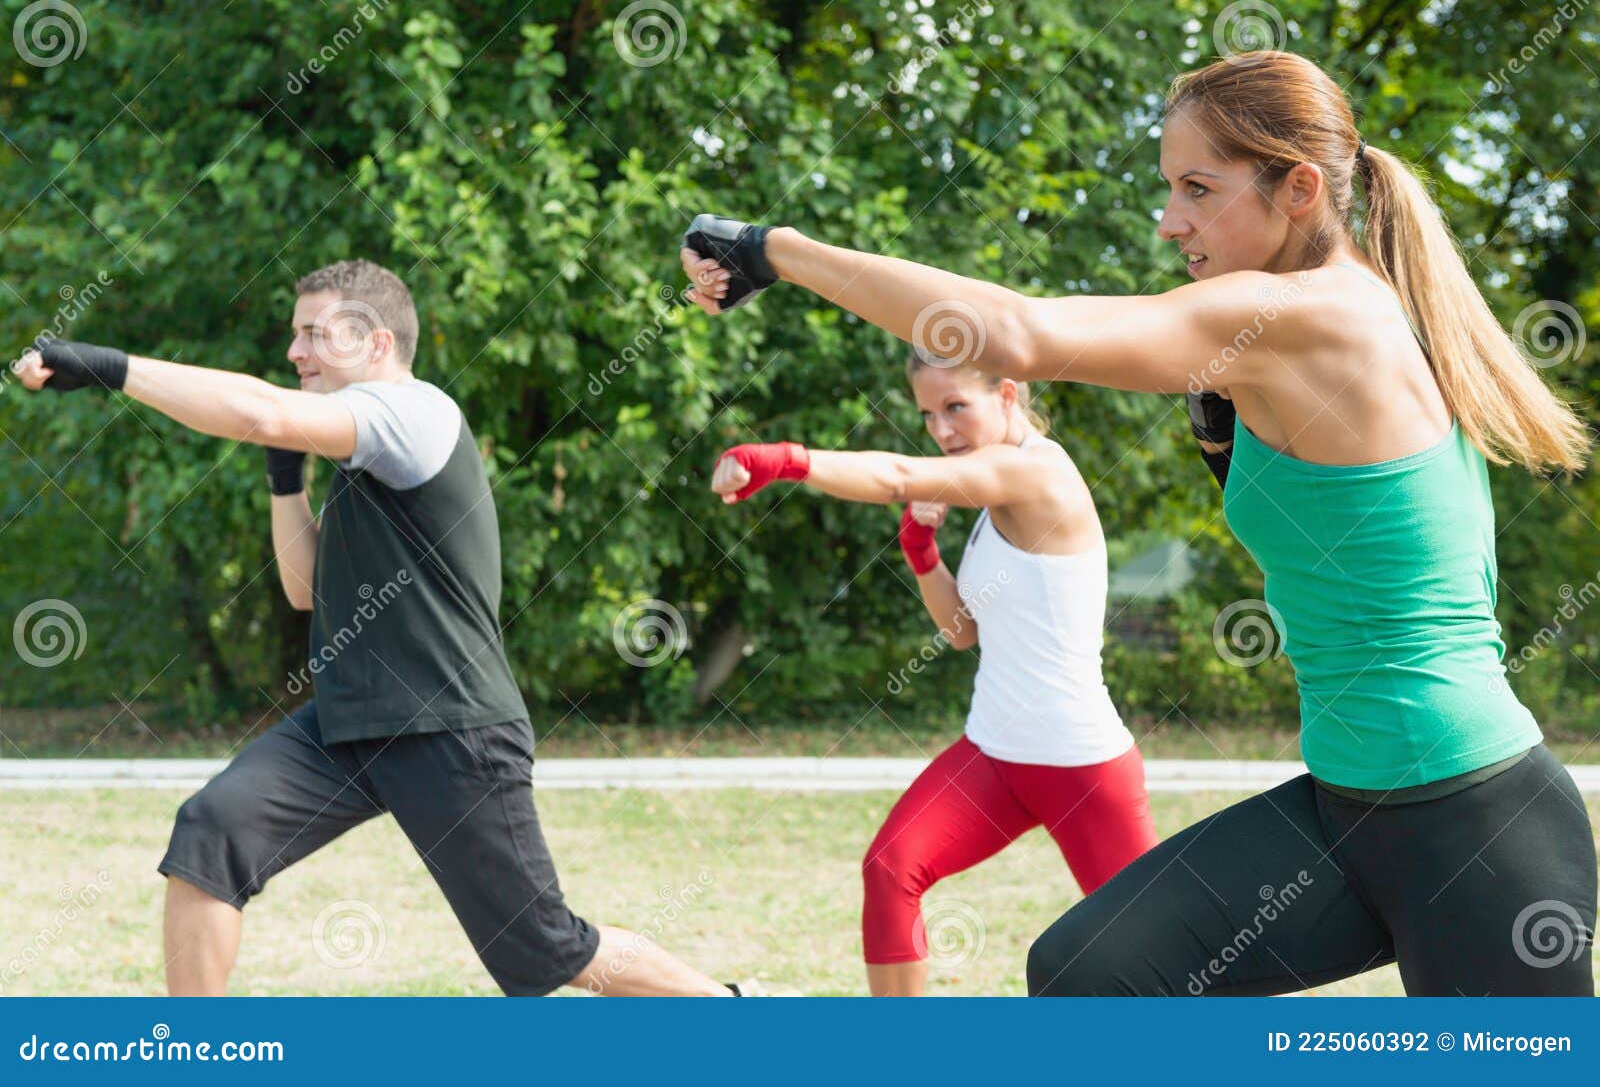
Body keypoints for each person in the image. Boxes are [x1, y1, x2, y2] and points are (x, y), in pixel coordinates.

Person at [678, 49, 1598, 996]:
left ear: (1298, 190)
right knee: (1090, 971)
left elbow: (1018, 336)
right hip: (1348, 812)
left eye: (1198, 189)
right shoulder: (1300, 323)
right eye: (1169, 188)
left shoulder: (1311, 314)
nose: (1171, 222)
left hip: (1474, 826)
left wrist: (772, 250)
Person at [16, 260, 738, 997]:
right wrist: (282, 478)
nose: (295, 352)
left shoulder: (413, 415)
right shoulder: (365, 453)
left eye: (313, 334)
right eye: (293, 336)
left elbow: (259, 410)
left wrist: (107, 367)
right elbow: (304, 589)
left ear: (377, 344)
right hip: (347, 725)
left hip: (449, 727)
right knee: (211, 832)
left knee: (544, 951)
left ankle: (737, 1014)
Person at [708, 350, 1157, 995]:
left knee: (1151, 945)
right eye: (928, 414)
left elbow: (894, 475)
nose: (943, 431)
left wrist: (785, 461)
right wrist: (921, 552)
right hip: (995, 755)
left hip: (1081, 765)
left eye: (956, 408)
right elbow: (963, 632)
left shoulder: (1034, 472)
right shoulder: (988, 488)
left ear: (1007, 395)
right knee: (890, 871)